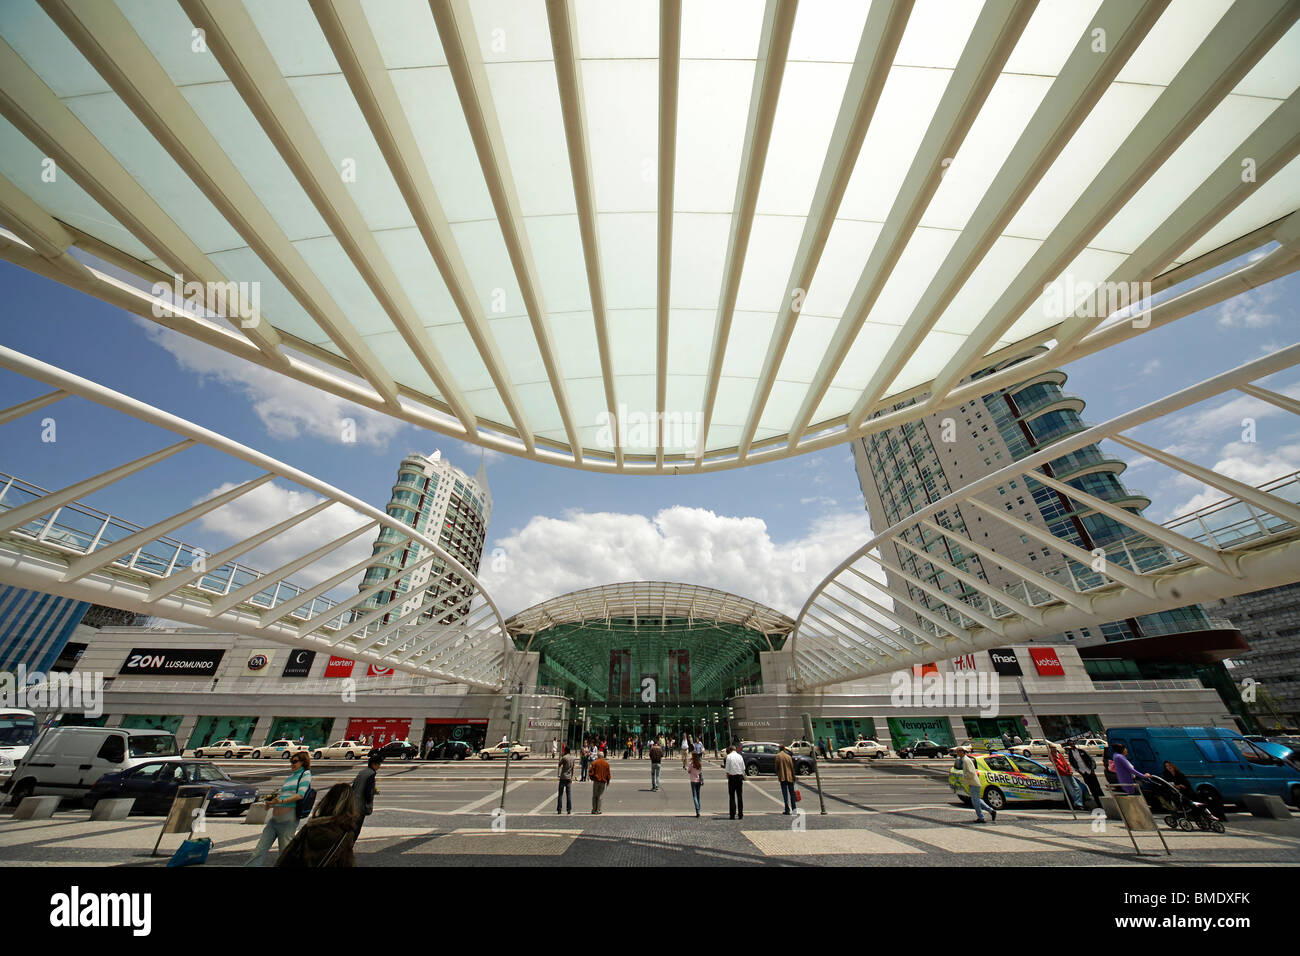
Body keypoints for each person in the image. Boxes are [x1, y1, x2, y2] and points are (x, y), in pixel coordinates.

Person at [245, 753, 312, 866]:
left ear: (303, 762)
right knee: (258, 851)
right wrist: (271, 803)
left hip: (288, 819)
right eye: (291, 761)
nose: (292, 764)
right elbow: (283, 795)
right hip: (274, 819)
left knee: (285, 854)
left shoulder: (305, 774)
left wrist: (281, 802)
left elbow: (300, 795)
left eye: (295, 761)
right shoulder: (290, 778)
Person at [276, 783, 358, 868]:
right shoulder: (345, 834)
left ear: (327, 801)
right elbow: (347, 862)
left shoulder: (310, 827)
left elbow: (287, 855)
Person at [955, 746, 995, 824]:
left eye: (958, 752)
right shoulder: (965, 760)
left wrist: (964, 777)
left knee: (975, 802)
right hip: (972, 783)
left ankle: (981, 818)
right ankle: (991, 811)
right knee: (977, 800)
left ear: (962, 752)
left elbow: (971, 773)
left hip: (973, 783)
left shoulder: (966, 760)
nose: (957, 754)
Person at [350, 752, 382, 839]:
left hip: (353, 803)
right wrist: (368, 805)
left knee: (351, 827)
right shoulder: (371, 774)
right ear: (374, 764)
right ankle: (349, 846)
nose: (379, 766)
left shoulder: (362, 772)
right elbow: (368, 791)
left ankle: (346, 845)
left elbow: (354, 786)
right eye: (378, 764)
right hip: (361, 805)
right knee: (356, 829)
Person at [1049, 742, 1088, 810]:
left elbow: (1066, 763)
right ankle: (1078, 803)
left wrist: (1070, 770)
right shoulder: (1051, 756)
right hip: (1063, 774)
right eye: (1053, 748)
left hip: (1068, 772)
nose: (1054, 749)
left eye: (1055, 747)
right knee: (1070, 789)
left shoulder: (1059, 754)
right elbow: (1057, 766)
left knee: (1077, 787)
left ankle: (1078, 802)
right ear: (1050, 749)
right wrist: (1065, 772)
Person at [774, 744, 797, 815]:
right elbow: (792, 768)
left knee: (785, 794)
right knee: (792, 794)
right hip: (790, 777)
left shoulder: (778, 756)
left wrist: (778, 773)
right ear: (784, 749)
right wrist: (794, 777)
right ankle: (794, 810)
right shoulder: (788, 757)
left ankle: (787, 809)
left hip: (782, 777)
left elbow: (776, 767)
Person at [724, 745, 745, 820]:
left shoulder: (729, 757)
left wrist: (728, 778)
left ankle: (732, 814)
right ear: (735, 750)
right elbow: (743, 768)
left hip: (732, 777)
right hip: (739, 777)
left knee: (732, 796)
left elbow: (727, 770)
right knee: (739, 796)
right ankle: (740, 814)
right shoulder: (740, 756)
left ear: (730, 750)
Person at [589, 748, 611, 814]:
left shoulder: (595, 763)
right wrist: (608, 781)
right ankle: (598, 810)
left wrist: (592, 778)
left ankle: (594, 809)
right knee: (600, 796)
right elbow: (608, 774)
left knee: (595, 795)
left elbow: (591, 772)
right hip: (603, 781)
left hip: (596, 781)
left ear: (598, 756)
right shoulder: (606, 764)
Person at [557, 744, 575, 814]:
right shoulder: (572, 758)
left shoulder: (564, 758)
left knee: (560, 794)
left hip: (563, 777)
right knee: (568, 794)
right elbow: (573, 768)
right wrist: (571, 777)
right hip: (569, 777)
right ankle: (569, 809)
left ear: (565, 751)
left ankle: (559, 809)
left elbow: (559, 764)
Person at [688, 751, 703, 817]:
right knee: (698, 796)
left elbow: (689, 771)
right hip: (698, 781)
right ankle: (699, 809)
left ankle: (697, 810)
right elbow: (700, 772)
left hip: (693, 781)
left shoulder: (691, 763)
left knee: (694, 796)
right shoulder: (699, 763)